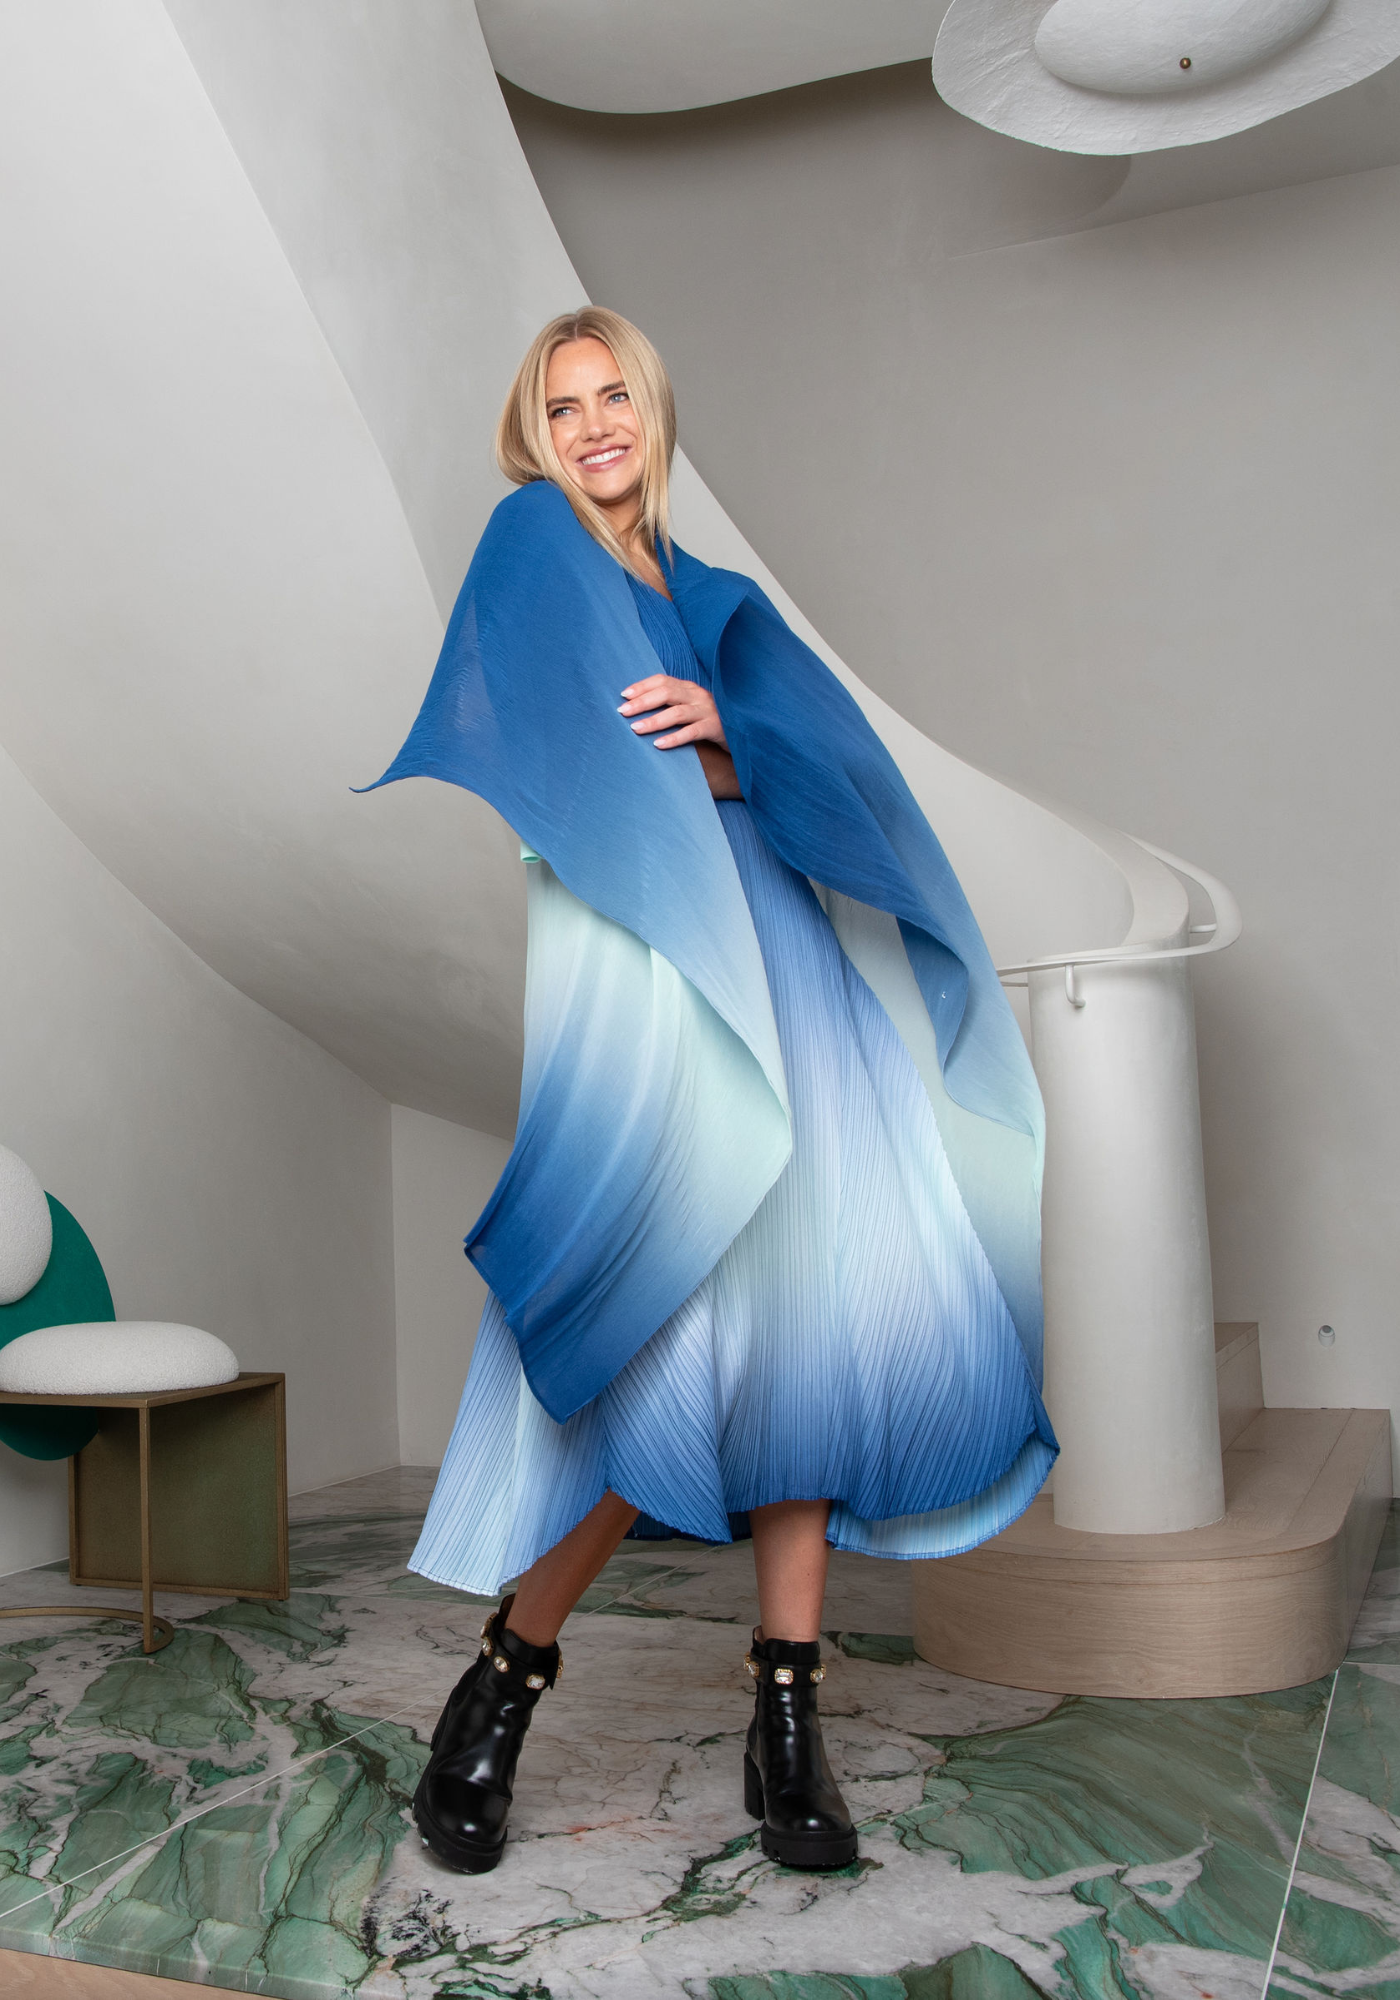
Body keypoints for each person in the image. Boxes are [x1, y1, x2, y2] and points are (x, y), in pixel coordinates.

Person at [361, 307, 1057, 1877]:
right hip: (667, 993)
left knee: (806, 1345)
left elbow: (848, 793)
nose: (596, 425)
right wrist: (705, 772)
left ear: (656, 412)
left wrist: (732, 736)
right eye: (565, 406)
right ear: (534, 435)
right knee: (647, 1353)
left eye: (617, 395)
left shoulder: (725, 603)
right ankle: (506, 1675)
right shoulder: (538, 552)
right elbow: (562, 781)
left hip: (797, 986)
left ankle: (786, 1719)